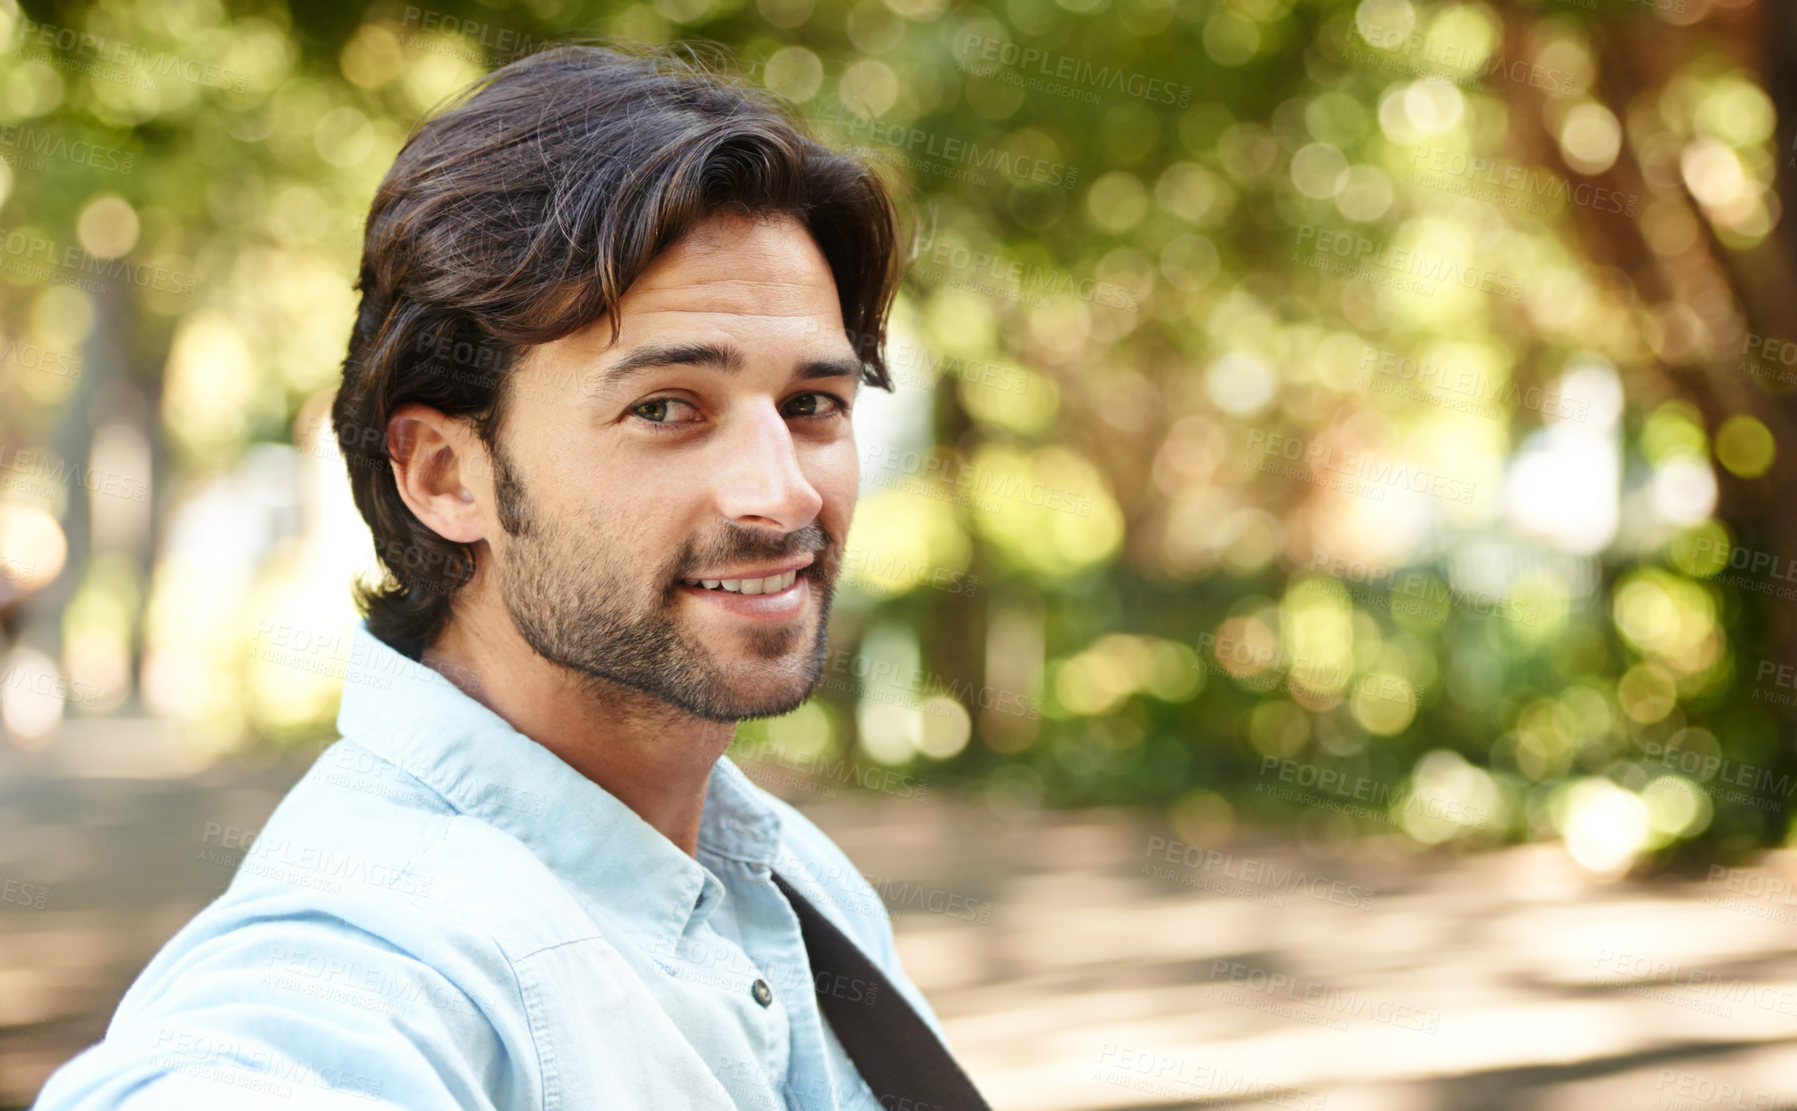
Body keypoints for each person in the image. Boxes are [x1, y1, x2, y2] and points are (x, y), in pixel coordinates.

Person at [33, 41, 969, 1110]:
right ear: (443, 473)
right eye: (666, 407)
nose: (785, 493)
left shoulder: (793, 880)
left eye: (811, 406)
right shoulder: (368, 950)